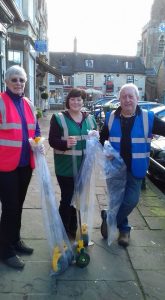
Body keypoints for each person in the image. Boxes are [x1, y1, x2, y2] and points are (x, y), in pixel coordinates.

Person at [100, 83, 165, 247]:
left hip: (136, 168)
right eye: (124, 96)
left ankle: (109, 219)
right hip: (114, 168)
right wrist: (104, 150)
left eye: (131, 96)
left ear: (137, 98)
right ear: (119, 99)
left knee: (131, 200)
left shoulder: (148, 118)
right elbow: (102, 139)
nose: (127, 100)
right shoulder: (111, 117)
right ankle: (124, 230)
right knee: (117, 200)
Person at [0, 65, 44, 269]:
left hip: (26, 164)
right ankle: (5, 250)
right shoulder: (0, 101)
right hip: (5, 166)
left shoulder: (28, 103)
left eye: (22, 80)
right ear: (7, 81)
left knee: (18, 205)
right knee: (9, 208)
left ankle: (15, 240)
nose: (19, 83)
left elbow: (35, 128)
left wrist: (38, 140)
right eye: (14, 79)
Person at [49, 88, 97, 239]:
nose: (76, 102)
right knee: (67, 198)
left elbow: (96, 137)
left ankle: (73, 227)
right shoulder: (58, 118)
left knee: (78, 199)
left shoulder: (90, 118)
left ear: (83, 101)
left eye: (79, 99)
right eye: (73, 99)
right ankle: (62, 229)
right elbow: (52, 141)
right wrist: (64, 143)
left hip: (84, 168)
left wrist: (96, 136)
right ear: (68, 101)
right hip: (65, 168)